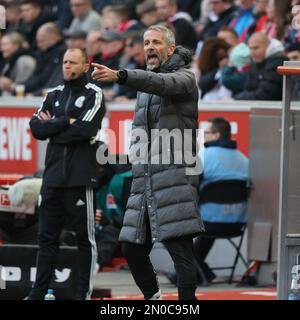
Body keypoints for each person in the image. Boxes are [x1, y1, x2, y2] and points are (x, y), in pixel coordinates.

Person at [92, 24, 203, 300]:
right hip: (144, 179)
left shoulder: (185, 78)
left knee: (180, 251)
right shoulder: (144, 84)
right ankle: (154, 301)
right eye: (146, 42)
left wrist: (120, 75)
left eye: (156, 42)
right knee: (132, 248)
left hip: (174, 176)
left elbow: (162, 83)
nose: (149, 47)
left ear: (171, 48)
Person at [27, 48, 105, 300]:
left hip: (79, 179)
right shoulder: (54, 94)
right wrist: (64, 122)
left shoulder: (94, 93)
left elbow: (85, 130)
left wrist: (53, 126)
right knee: (46, 239)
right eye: (65, 62)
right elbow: (36, 128)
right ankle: (37, 294)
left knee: (85, 239)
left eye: (73, 62)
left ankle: (83, 294)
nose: (67, 66)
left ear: (85, 67)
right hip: (52, 179)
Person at [194, 117, 249, 283]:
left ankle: (190, 271)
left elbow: (189, 188)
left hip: (208, 222)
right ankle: (201, 272)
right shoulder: (244, 160)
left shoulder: (204, 157)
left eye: (207, 133)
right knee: (206, 230)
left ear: (217, 135)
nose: (204, 136)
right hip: (237, 222)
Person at [234, 32, 287, 100]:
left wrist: (235, 99)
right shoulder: (255, 63)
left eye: (256, 48)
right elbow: (248, 89)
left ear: (268, 46)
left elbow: (265, 95)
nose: (252, 52)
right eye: (250, 48)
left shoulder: (277, 63)